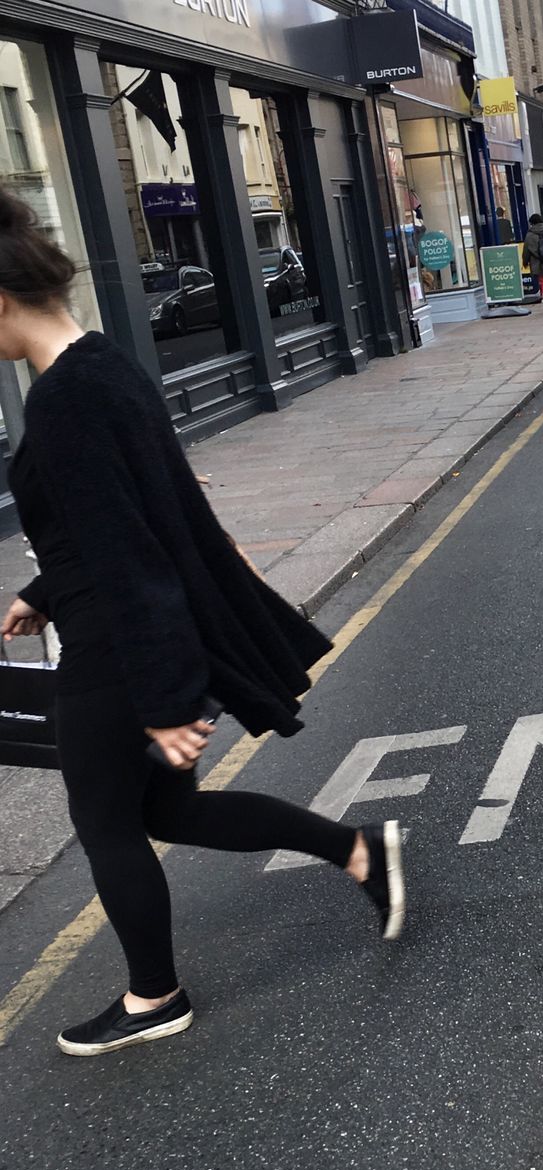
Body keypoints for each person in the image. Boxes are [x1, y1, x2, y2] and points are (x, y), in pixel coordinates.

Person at [0, 190, 405, 1057]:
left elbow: (129, 556)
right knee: (169, 814)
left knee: (107, 822)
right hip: (116, 632)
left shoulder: (63, 405)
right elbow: (121, 518)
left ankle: (155, 996)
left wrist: (163, 699)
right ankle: (358, 850)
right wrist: (42, 591)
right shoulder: (102, 366)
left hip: (115, 653)